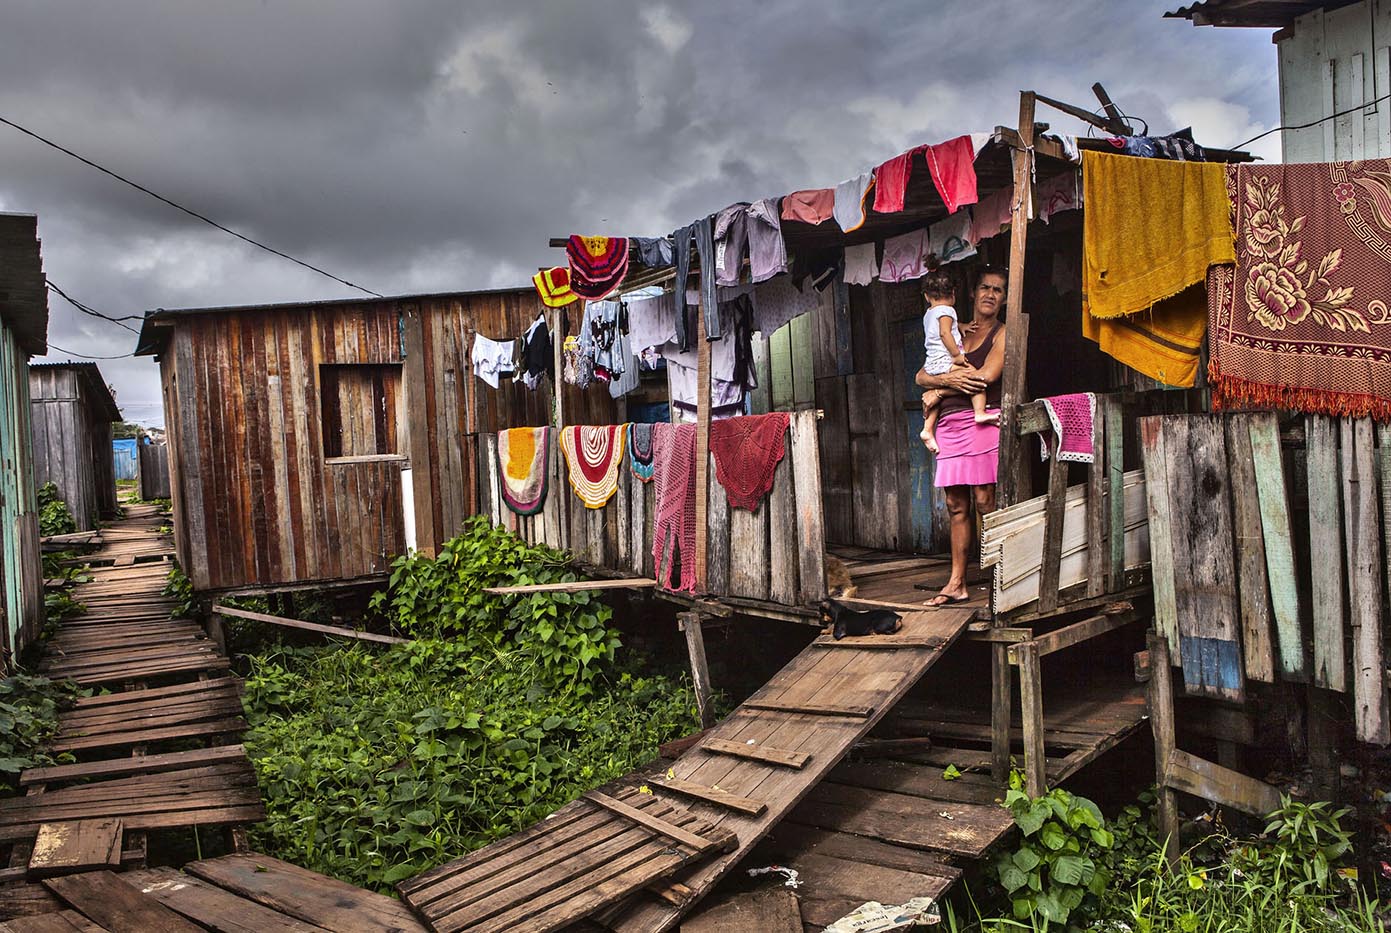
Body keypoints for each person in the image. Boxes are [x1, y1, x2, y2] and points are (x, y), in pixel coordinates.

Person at [916, 266, 1007, 606]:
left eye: (998, 290)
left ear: (1004, 298)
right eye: (985, 286)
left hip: (981, 422)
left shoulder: (1001, 333)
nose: (990, 294)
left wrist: (940, 391)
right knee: (956, 505)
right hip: (950, 427)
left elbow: (984, 376)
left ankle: (1002, 579)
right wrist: (939, 384)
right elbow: (921, 376)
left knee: (985, 501)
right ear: (972, 293)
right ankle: (957, 583)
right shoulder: (953, 329)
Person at [917, 271, 997, 453]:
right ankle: (980, 413)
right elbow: (945, 332)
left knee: (934, 396)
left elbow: (948, 326)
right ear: (953, 294)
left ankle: (928, 429)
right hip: (946, 359)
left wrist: (962, 326)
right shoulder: (948, 311)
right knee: (975, 377)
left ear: (927, 296)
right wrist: (956, 355)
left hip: (933, 362)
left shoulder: (929, 313)